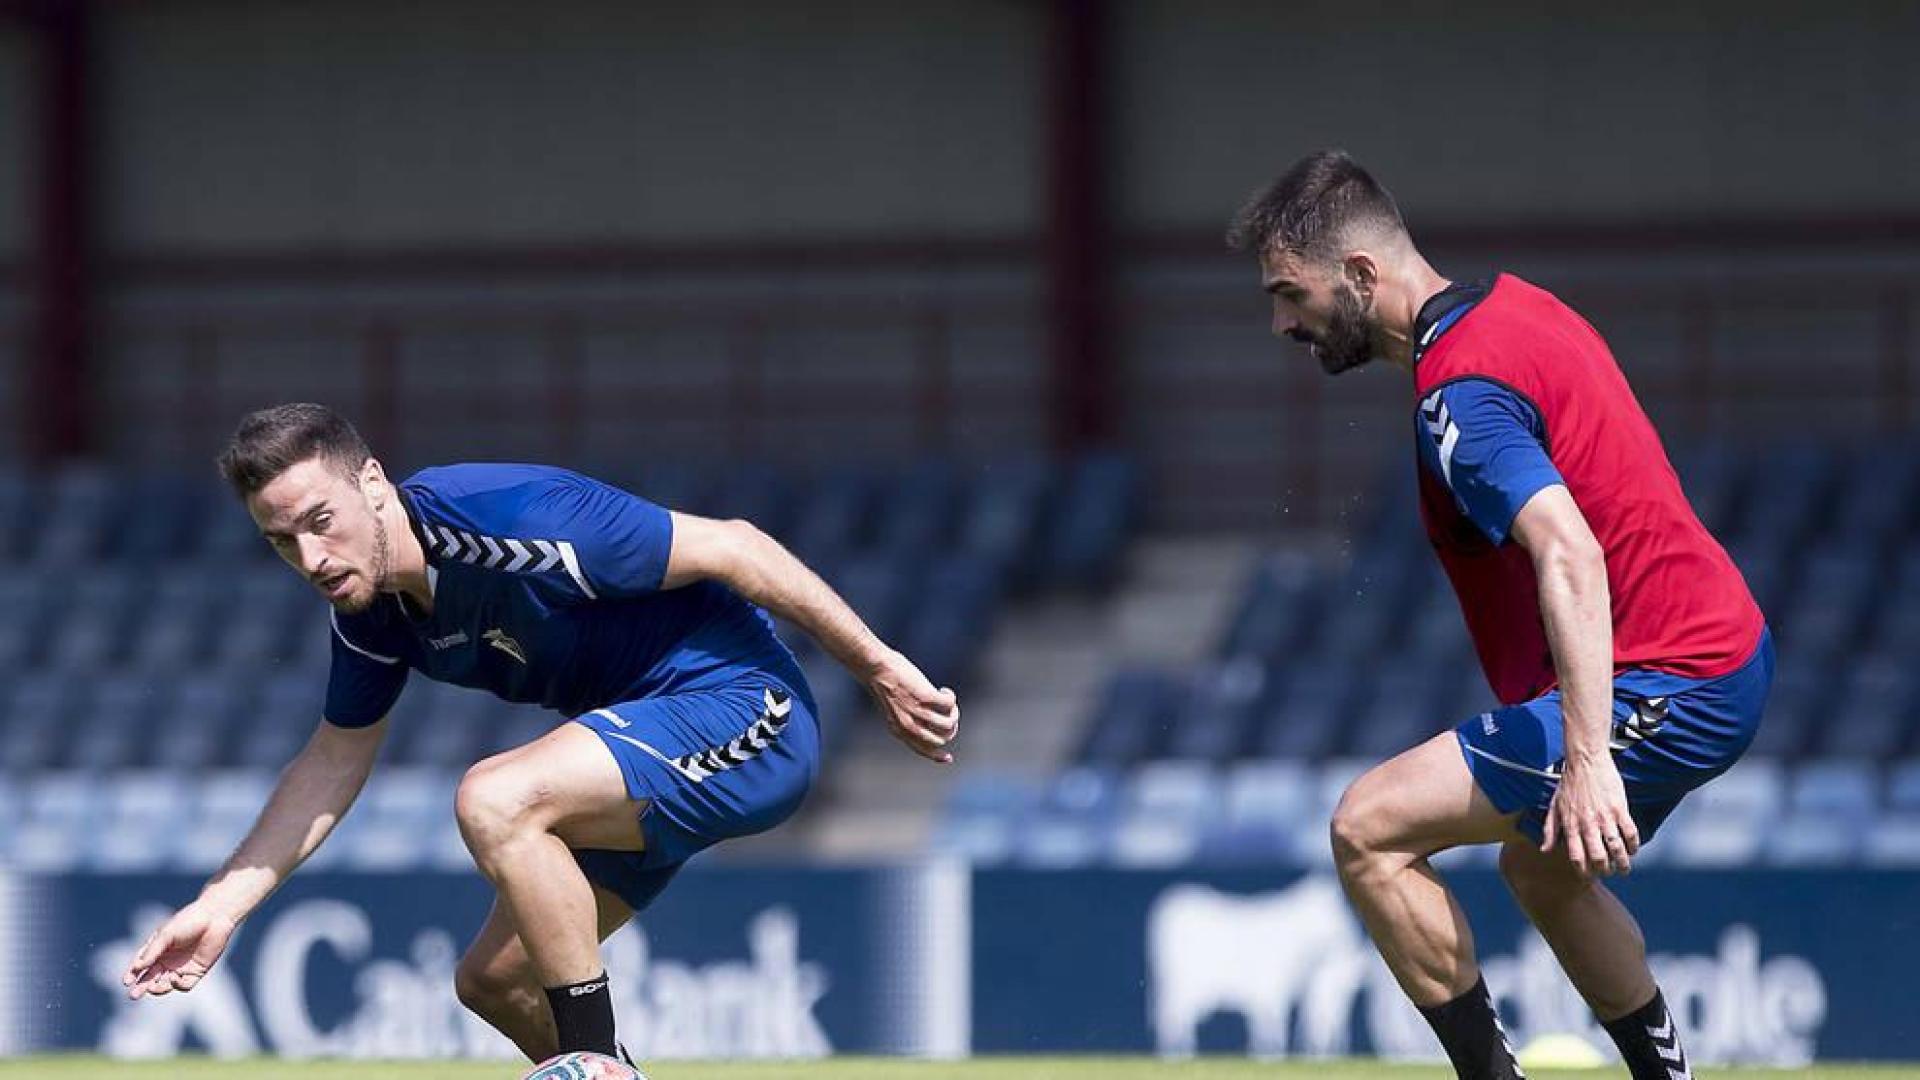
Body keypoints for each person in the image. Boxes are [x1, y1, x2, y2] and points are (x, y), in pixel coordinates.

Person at [121, 403, 961, 1067]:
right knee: (495, 981)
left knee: (497, 798)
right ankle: (602, 1068)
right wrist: (220, 906)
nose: (311, 558)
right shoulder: (372, 617)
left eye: (320, 520)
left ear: (373, 481)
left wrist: (879, 667)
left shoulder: (513, 517)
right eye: (281, 542)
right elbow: (332, 761)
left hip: (746, 712)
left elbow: (736, 548)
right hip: (636, 754)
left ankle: (594, 1062)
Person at [1228, 151, 1768, 1080]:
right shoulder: (1519, 308)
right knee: (1542, 869)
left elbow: (1570, 550)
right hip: (1719, 655)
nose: (1282, 322)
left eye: (1290, 293)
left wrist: (1590, 758)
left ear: (1360, 275)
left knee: (1367, 828)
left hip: (1672, 675)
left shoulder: (1459, 395)